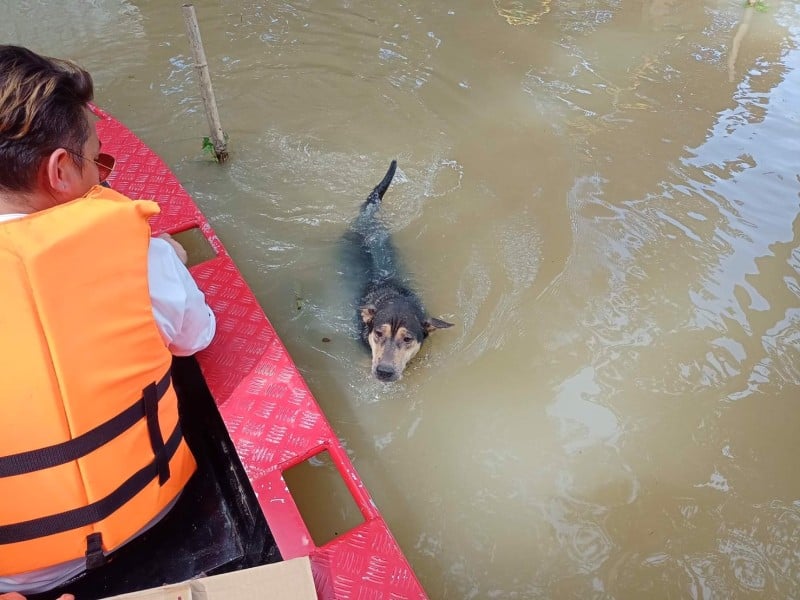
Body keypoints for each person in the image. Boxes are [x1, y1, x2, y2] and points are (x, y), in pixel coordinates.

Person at [0, 45, 217, 597]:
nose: (104, 172)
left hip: (15, 571)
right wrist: (164, 257)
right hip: (152, 517)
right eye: (98, 159)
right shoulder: (137, 253)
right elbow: (198, 335)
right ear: (60, 172)